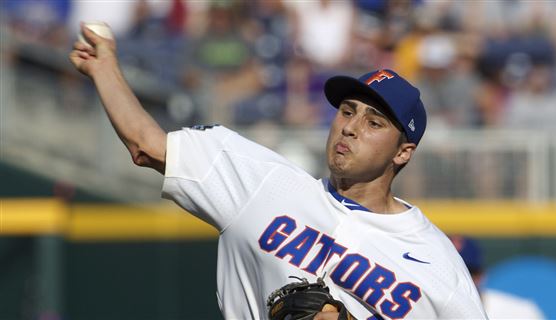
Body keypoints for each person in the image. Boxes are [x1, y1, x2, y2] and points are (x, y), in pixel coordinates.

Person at [70, 24, 487, 319]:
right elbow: (147, 144)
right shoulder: (262, 181)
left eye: (374, 122)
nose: (351, 127)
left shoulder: (438, 269)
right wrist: (103, 68)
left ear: (403, 152)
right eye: (347, 111)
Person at [449, 235, 545, 319]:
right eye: (450, 273)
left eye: (468, 272)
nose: (459, 280)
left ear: (481, 275)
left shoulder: (520, 314)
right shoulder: (434, 314)